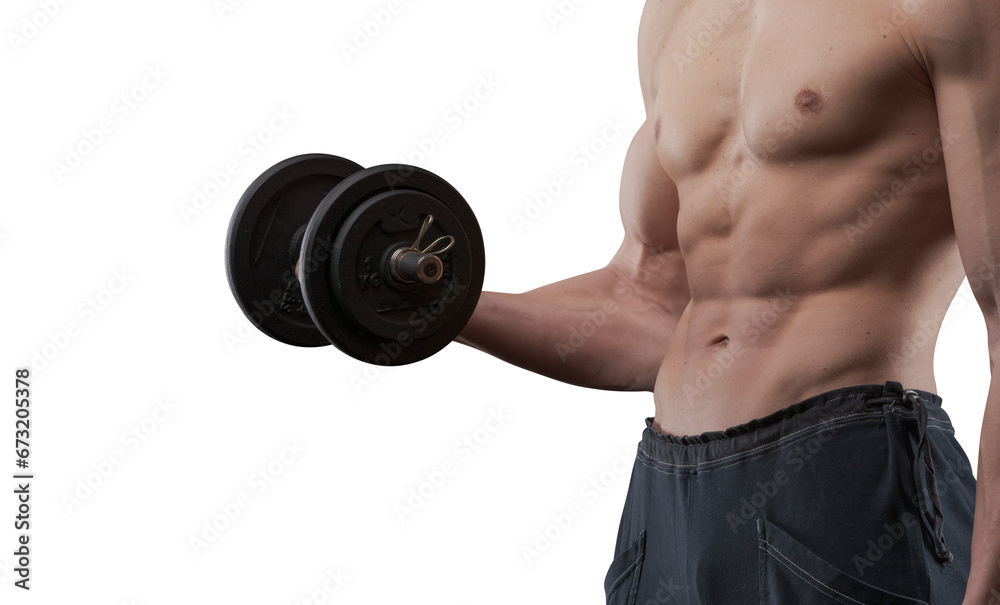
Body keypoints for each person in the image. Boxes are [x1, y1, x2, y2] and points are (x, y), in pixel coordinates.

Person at [457, 0, 1000, 602]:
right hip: (667, 500)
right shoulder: (675, 14)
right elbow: (643, 303)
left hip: (845, 474)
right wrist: (438, 305)